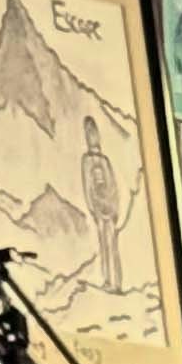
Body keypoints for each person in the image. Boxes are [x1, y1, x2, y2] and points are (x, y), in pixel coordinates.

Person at [80, 115, 122, 290]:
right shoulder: (87, 160)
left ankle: (116, 282)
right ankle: (108, 281)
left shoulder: (103, 160)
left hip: (107, 208)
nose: (92, 137)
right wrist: (93, 209)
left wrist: (113, 209)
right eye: (89, 133)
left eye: (93, 133)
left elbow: (112, 186)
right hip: (99, 208)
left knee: (111, 246)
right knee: (105, 247)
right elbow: (88, 186)